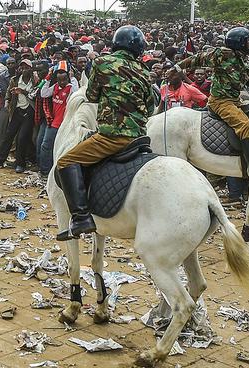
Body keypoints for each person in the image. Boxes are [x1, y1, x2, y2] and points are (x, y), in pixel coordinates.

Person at [52, 25, 155, 241]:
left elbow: (91, 95)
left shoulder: (102, 63)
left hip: (112, 138)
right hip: (140, 137)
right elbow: (150, 104)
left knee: (65, 162)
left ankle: (81, 218)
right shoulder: (145, 71)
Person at [175, 27, 249, 182]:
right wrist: (177, 67)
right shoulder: (222, 54)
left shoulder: (244, 64)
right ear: (240, 43)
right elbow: (199, 58)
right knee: (245, 125)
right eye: (247, 40)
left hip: (235, 101)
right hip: (219, 101)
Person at [0, 59, 37, 172]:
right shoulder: (15, 80)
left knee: (22, 138)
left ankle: (20, 163)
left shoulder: (35, 81)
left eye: (27, 68)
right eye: (22, 68)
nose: (24, 70)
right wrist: (7, 101)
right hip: (17, 110)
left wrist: (22, 91)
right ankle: (0, 160)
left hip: (29, 111)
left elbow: (35, 95)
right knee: (9, 135)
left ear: (31, 69)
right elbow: (8, 93)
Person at [38, 67, 79, 175]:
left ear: (67, 79)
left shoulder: (70, 88)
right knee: (46, 146)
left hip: (64, 124)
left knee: (56, 147)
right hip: (53, 122)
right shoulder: (55, 86)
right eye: (59, 80)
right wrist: (47, 78)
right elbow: (44, 93)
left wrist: (72, 78)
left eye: (64, 79)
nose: (61, 82)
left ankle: (54, 172)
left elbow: (76, 93)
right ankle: (45, 171)